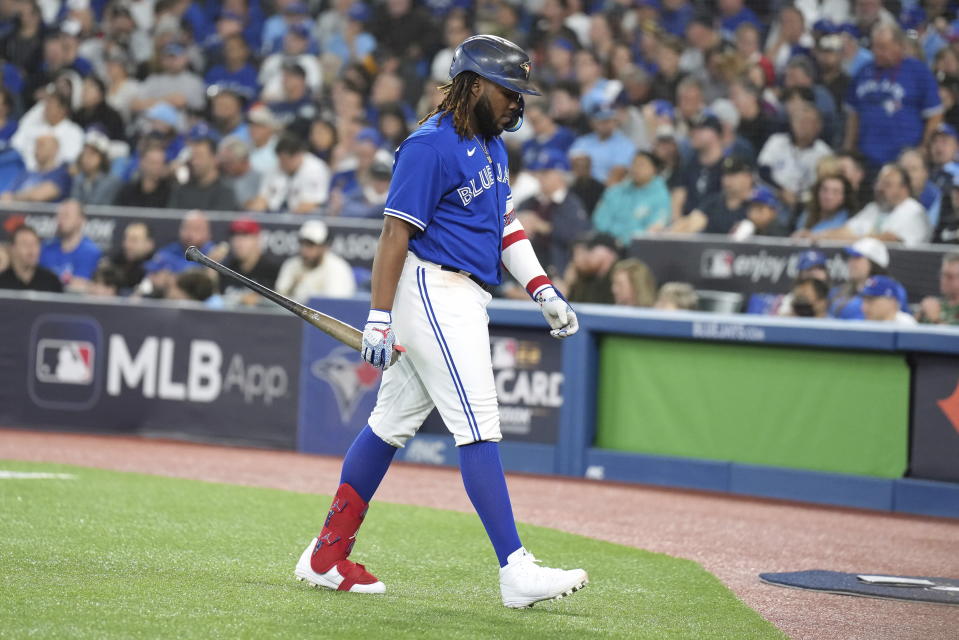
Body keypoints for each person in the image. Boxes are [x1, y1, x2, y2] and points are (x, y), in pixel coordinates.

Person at [292, 36, 587, 608]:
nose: (516, 104)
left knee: (388, 425)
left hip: (465, 294)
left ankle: (325, 555)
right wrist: (379, 316)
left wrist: (541, 287)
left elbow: (504, 225)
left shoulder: (494, 146)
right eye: (509, 91)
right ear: (474, 84)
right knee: (479, 424)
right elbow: (394, 233)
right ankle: (515, 569)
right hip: (434, 287)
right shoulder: (428, 146)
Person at [844, 24, 943, 170]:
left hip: (902, 159)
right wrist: (849, 148)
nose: (877, 52)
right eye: (875, 47)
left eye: (883, 47)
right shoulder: (864, 71)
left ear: (900, 46)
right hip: (865, 158)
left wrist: (923, 148)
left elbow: (934, 114)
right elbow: (853, 114)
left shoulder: (918, 72)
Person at [823, 164, 931, 246]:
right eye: (878, 183)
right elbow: (846, 231)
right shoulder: (873, 208)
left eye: (887, 184)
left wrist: (851, 239)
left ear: (904, 189)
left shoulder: (913, 210)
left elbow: (890, 239)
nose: (879, 188)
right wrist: (819, 236)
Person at [592, 151, 671, 245]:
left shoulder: (661, 196)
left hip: (640, 247)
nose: (636, 168)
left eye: (641, 165)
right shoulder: (615, 191)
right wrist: (615, 238)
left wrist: (625, 239)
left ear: (654, 169)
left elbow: (654, 228)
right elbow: (600, 220)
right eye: (633, 163)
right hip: (608, 243)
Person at [275, 219, 355, 302]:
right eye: (302, 244)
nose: (305, 250)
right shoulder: (292, 265)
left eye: (311, 245)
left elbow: (335, 306)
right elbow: (279, 298)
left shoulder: (337, 268)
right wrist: (292, 286)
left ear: (324, 247)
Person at [249, 133, 331, 214]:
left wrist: (286, 218)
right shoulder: (276, 167)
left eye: (286, 160)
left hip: (305, 217)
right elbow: (262, 197)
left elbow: (312, 203)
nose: (282, 163)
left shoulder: (316, 169)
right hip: (275, 215)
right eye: (280, 159)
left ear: (298, 155)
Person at [671, 155, 754, 234]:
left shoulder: (756, 204)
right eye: (725, 175)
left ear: (748, 177)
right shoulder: (714, 203)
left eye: (733, 175)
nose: (727, 180)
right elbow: (692, 223)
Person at [38, 199, 102, 289]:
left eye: (66, 215)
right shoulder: (46, 248)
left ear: (81, 220)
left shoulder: (90, 252)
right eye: (59, 215)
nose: (60, 220)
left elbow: (80, 286)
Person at [567, 103, 636, 185]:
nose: (606, 124)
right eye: (601, 121)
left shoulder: (625, 144)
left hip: (606, 188)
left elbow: (617, 176)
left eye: (609, 120)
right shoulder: (583, 141)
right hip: (581, 185)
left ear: (615, 121)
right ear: (592, 123)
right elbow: (573, 165)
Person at [167, 137, 239, 212]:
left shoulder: (225, 192)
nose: (194, 162)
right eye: (193, 157)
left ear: (214, 159)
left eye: (200, 156)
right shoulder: (181, 191)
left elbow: (220, 221)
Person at [219, 218, 280, 306]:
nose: (238, 242)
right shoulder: (225, 269)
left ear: (257, 238)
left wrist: (260, 300)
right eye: (234, 236)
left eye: (244, 235)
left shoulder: (272, 270)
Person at [828, 236, 889, 319]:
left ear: (874, 264)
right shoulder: (838, 292)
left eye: (857, 258)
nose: (851, 262)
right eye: (851, 258)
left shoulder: (890, 295)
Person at [0, 134, 72, 203]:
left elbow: (39, 195)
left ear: (55, 149)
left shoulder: (61, 175)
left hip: (41, 215)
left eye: (42, 145)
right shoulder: (26, 174)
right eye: (36, 145)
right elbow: (7, 194)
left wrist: (14, 198)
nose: (37, 149)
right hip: (15, 214)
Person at [0, 225, 63, 293]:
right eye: (25, 244)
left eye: (35, 243)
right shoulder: (2, 282)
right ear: (13, 248)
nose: (31, 249)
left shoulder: (51, 281)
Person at [113, 144, 173, 208]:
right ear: (142, 162)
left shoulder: (171, 192)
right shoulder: (128, 190)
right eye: (153, 163)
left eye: (161, 163)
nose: (158, 167)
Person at [70, 130, 121, 205]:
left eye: (92, 154)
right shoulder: (78, 178)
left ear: (102, 158)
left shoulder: (111, 182)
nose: (87, 158)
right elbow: (74, 203)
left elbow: (96, 207)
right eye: (85, 153)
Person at [108, 221, 155, 292]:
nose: (127, 245)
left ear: (149, 244)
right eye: (126, 239)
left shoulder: (156, 271)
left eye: (134, 240)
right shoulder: (114, 264)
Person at [918, 252, 959, 325]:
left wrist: (935, 319)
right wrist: (918, 316)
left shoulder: (934, 312)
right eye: (942, 274)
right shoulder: (938, 305)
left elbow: (953, 335)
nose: (943, 280)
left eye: (949, 276)